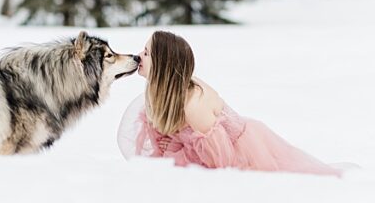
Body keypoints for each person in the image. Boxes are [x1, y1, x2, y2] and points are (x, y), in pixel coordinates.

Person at [121, 30, 346, 176]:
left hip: (240, 153)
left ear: (164, 66)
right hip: (209, 145)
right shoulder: (165, 91)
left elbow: (221, 163)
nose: (139, 55)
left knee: (291, 175)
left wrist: (173, 151)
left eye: (147, 53)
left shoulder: (193, 106)